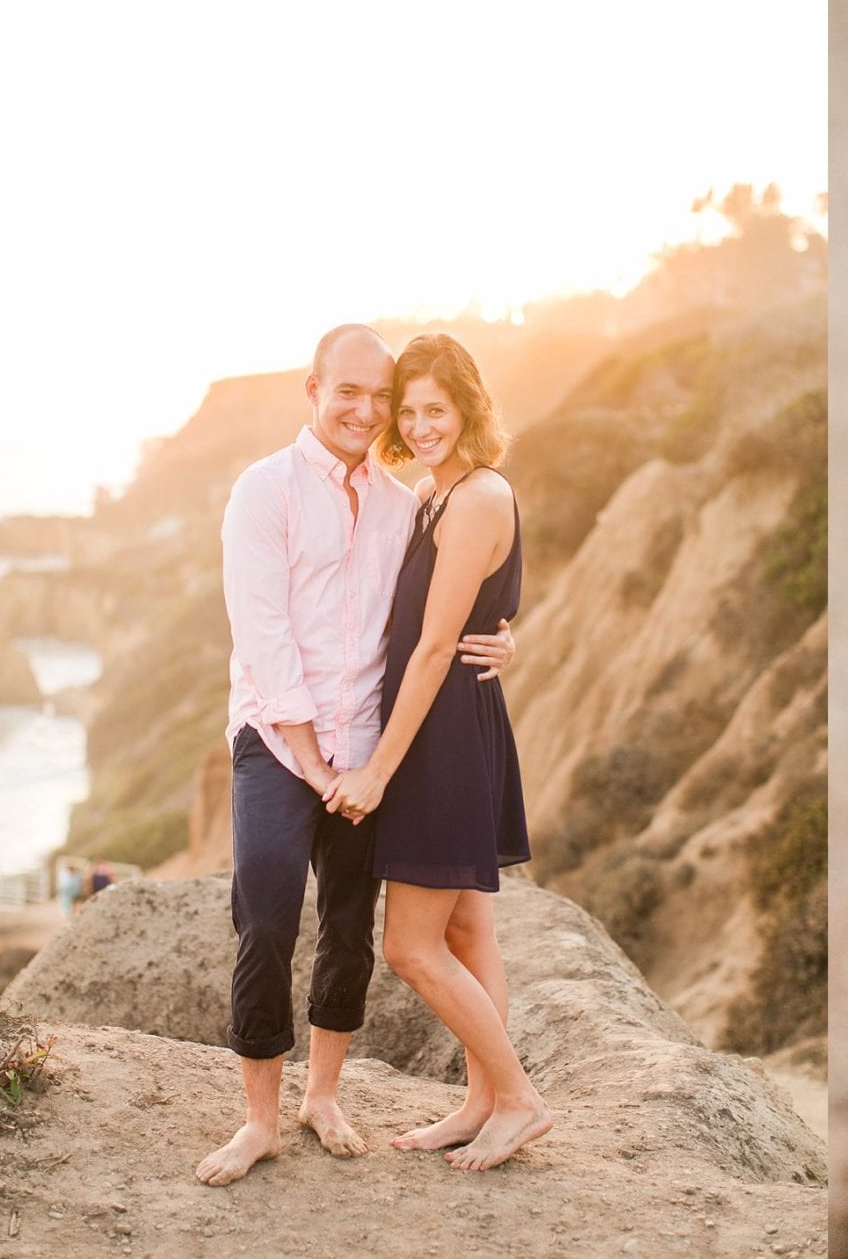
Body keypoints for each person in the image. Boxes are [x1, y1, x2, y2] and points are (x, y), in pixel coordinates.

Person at [197, 323, 518, 1188]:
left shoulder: (402, 503)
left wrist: (501, 635)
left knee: (349, 927)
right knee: (265, 914)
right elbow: (261, 635)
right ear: (313, 391)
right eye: (353, 392)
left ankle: (322, 1097)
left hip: (370, 747)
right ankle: (259, 1118)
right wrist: (313, 758)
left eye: (384, 399)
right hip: (280, 744)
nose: (369, 411)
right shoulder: (263, 490)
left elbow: (433, 614)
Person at [327, 333, 553, 1171]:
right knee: (466, 929)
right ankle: (482, 1105)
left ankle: (520, 1100)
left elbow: (432, 649)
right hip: (453, 720)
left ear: (468, 409)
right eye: (410, 410)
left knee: (410, 949)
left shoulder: (478, 497)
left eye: (436, 410)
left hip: (441, 737)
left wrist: (378, 770)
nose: (420, 426)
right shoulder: (436, 493)